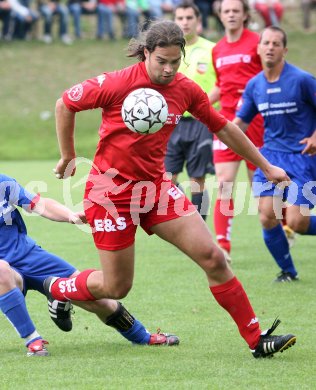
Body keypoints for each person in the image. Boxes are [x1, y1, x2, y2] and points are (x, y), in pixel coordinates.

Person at [46, 19, 295, 358]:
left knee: (214, 257)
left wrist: (266, 166)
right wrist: (67, 156)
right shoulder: (116, 83)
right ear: (145, 53)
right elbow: (65, 104)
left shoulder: (185, 89)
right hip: (111, 195)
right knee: (117, 287)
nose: (167, 69)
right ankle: (59, 289)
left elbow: (222, 127)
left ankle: (257, 338)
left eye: (174, 62)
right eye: (160, 61)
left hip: (156, 189)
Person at [0, 173, 179, 356]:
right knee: (2, 270)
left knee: (95, 299)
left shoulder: (2, 182)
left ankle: (142, 336)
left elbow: (39, 204)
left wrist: (70, 215)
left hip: (30, 256)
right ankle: (33, 341)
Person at [234, 26, 316, 282]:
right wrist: (213, 127)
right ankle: (288, 272)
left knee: (297, 222)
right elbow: (240, 124)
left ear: (284, 50)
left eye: (275, 43)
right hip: (271, 157)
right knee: (267, 215)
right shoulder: (254, 85)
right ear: (258, 49)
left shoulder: (302, 80)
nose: (270, 47)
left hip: (301, 158)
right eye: (266, 43)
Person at [208, 0, 265, 262]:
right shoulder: (217, 49)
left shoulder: (258, 42)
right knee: (224, 183)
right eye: (226, 11)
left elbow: (269, 76)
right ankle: (223, 245)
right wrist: (202, 104)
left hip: (256, 122)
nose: (230, 15)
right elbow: (221, 84)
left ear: (244, 15)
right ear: (220, 16)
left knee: (261, 185)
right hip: (226, 123)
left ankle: (284, 223)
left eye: (235, 11)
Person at [165, 1, 216, 221]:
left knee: (197, 180)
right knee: (168, 178)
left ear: (198, 21)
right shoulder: (168, 51)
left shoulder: (212, 50)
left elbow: (222, 84)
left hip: (201, 122)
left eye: (189, 18)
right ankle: (187, 217)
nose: (185, 22)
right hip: (172, 122)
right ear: (174, 21)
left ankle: (201, 232)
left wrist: (201, 106)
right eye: (180, 18)